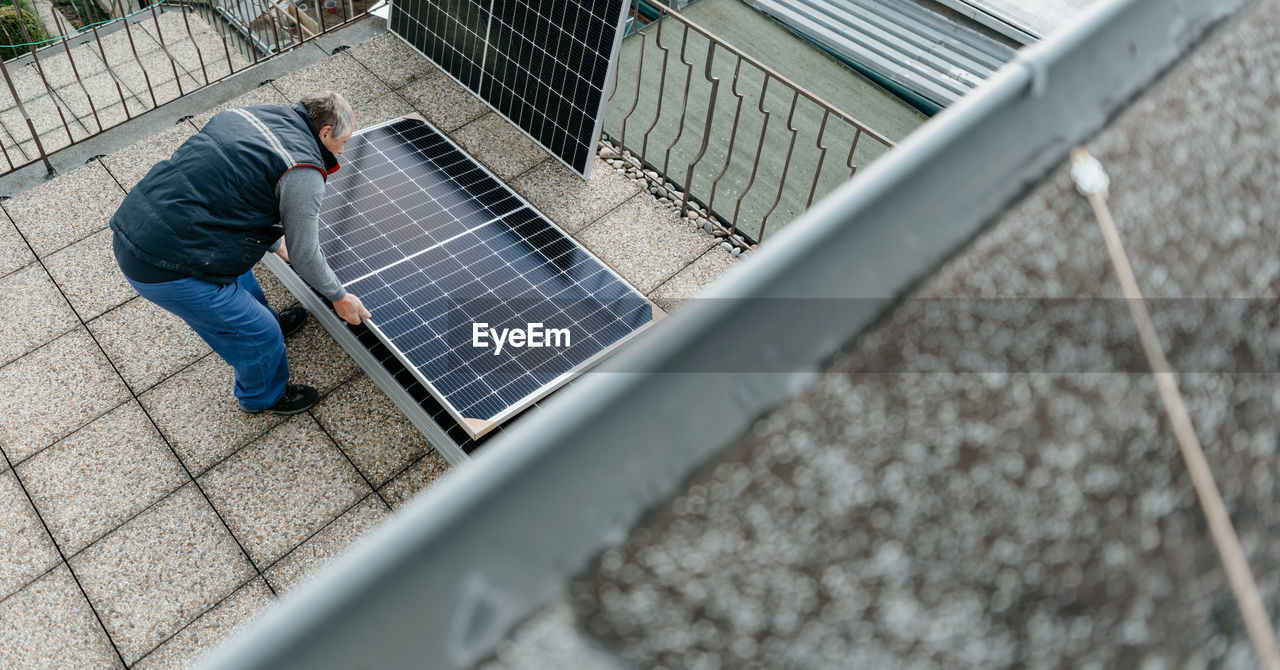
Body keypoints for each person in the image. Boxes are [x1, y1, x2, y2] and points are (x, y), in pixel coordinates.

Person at [110, 90, 371, 415]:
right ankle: (263, 396)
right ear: (325, 132)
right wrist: (338, 296)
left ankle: (261, 319)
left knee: (241, 276)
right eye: (342, 141)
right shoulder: (303, 170)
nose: (343, 150)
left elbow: (234, 189)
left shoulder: (250, 115)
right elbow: (305, 254)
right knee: (258, 335)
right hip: (161, 265)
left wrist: (275, 243)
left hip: (144, 220)